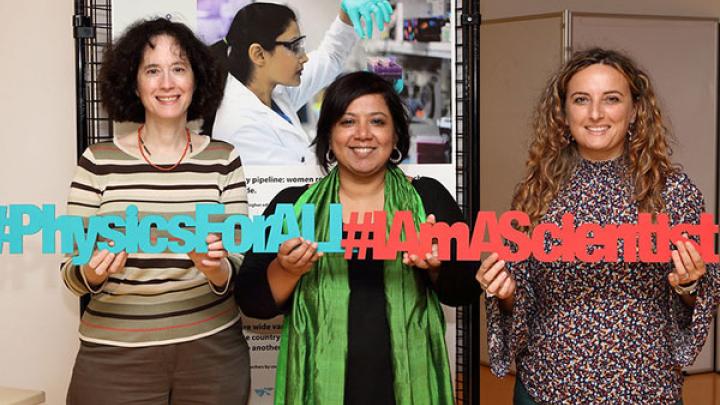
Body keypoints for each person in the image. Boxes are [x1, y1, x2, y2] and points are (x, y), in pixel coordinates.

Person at [478, 48, 719, 404]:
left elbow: (700, 295)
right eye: (581, 100)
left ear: (635, 109)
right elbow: (521, 298)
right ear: (563, 112)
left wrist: (690, 283)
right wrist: (506, 291)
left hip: (645, 388)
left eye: (611, 99)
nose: (595, 114)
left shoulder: (673, 192)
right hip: (548, 386)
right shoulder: (537, 191)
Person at [234, 71, 480, 404]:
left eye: (377, 122)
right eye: (347, 121)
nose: (362, 135)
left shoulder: (427, 199)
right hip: (318, 387)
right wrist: (288, 271)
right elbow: (252, 301)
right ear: (329, 135)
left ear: (395, 136)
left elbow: (465, 289)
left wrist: (436, 267)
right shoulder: (293, 206)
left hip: (408, 386)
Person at [62, 18, 251, 404]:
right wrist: (92, 271)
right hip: (114, 357)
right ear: (134, 83)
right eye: (152, 70)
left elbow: (238, 263)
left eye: (178, 69)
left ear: (196, 79)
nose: (167, 83)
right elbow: (70, 273)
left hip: (212, 355)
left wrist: (216, 267)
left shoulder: (224, 159)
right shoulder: (97, 162)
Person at [209, 1, 393, 165]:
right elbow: (295, 184)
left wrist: (346, 16)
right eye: (294, 46)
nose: (304, 57)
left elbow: (330, 56)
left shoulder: (273, 92)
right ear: (259, 54)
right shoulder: (241, 125)